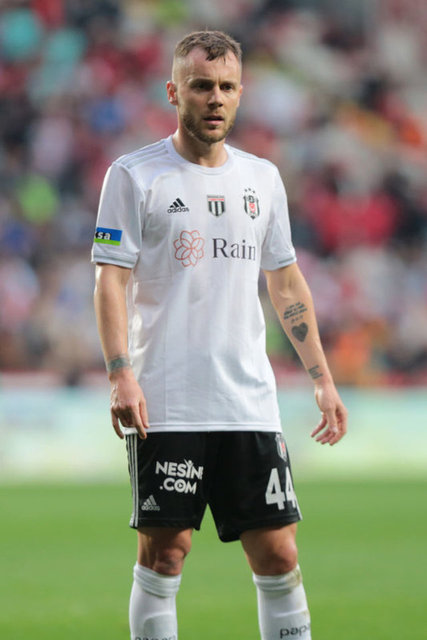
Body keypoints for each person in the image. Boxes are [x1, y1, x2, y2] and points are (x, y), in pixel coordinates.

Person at [92, 30, 347, 640]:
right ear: (173, 92)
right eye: (202, 85)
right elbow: (109, 281)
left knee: (279, 552)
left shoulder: (263, 178)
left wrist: (322, 378)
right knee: (166, 553)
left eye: (227, 87)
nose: (215, 98)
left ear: (240, 94)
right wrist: (121, 373)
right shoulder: (134, 176)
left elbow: (286, 284)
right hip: (166, 400)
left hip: (248, 400)